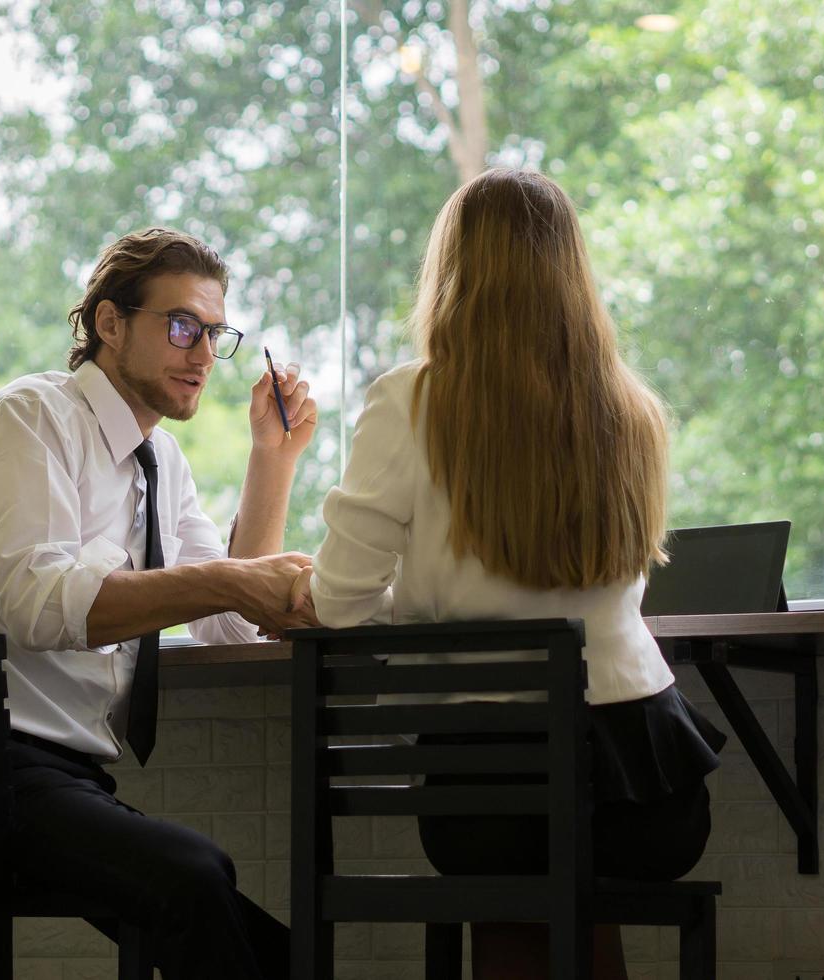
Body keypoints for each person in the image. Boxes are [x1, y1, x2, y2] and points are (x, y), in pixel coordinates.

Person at [295, 169, 726, 980]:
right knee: (578, 886)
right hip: (648, 791)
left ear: (452, 270)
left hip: (487, 793)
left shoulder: (411, 401)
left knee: (509, 870)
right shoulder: (630, 411)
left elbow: (340, 604)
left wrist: (418, 606)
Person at [0, 227, 317, 980]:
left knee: (276, 951)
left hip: (61, 782)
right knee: (192, 875)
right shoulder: (28, 419)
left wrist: (271, 459)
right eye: (182, 325)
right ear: (109, 323)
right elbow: (40, 605)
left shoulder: (162, 459)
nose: (201, 354)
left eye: (214, 334)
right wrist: (229, 581)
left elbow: (228, 629)